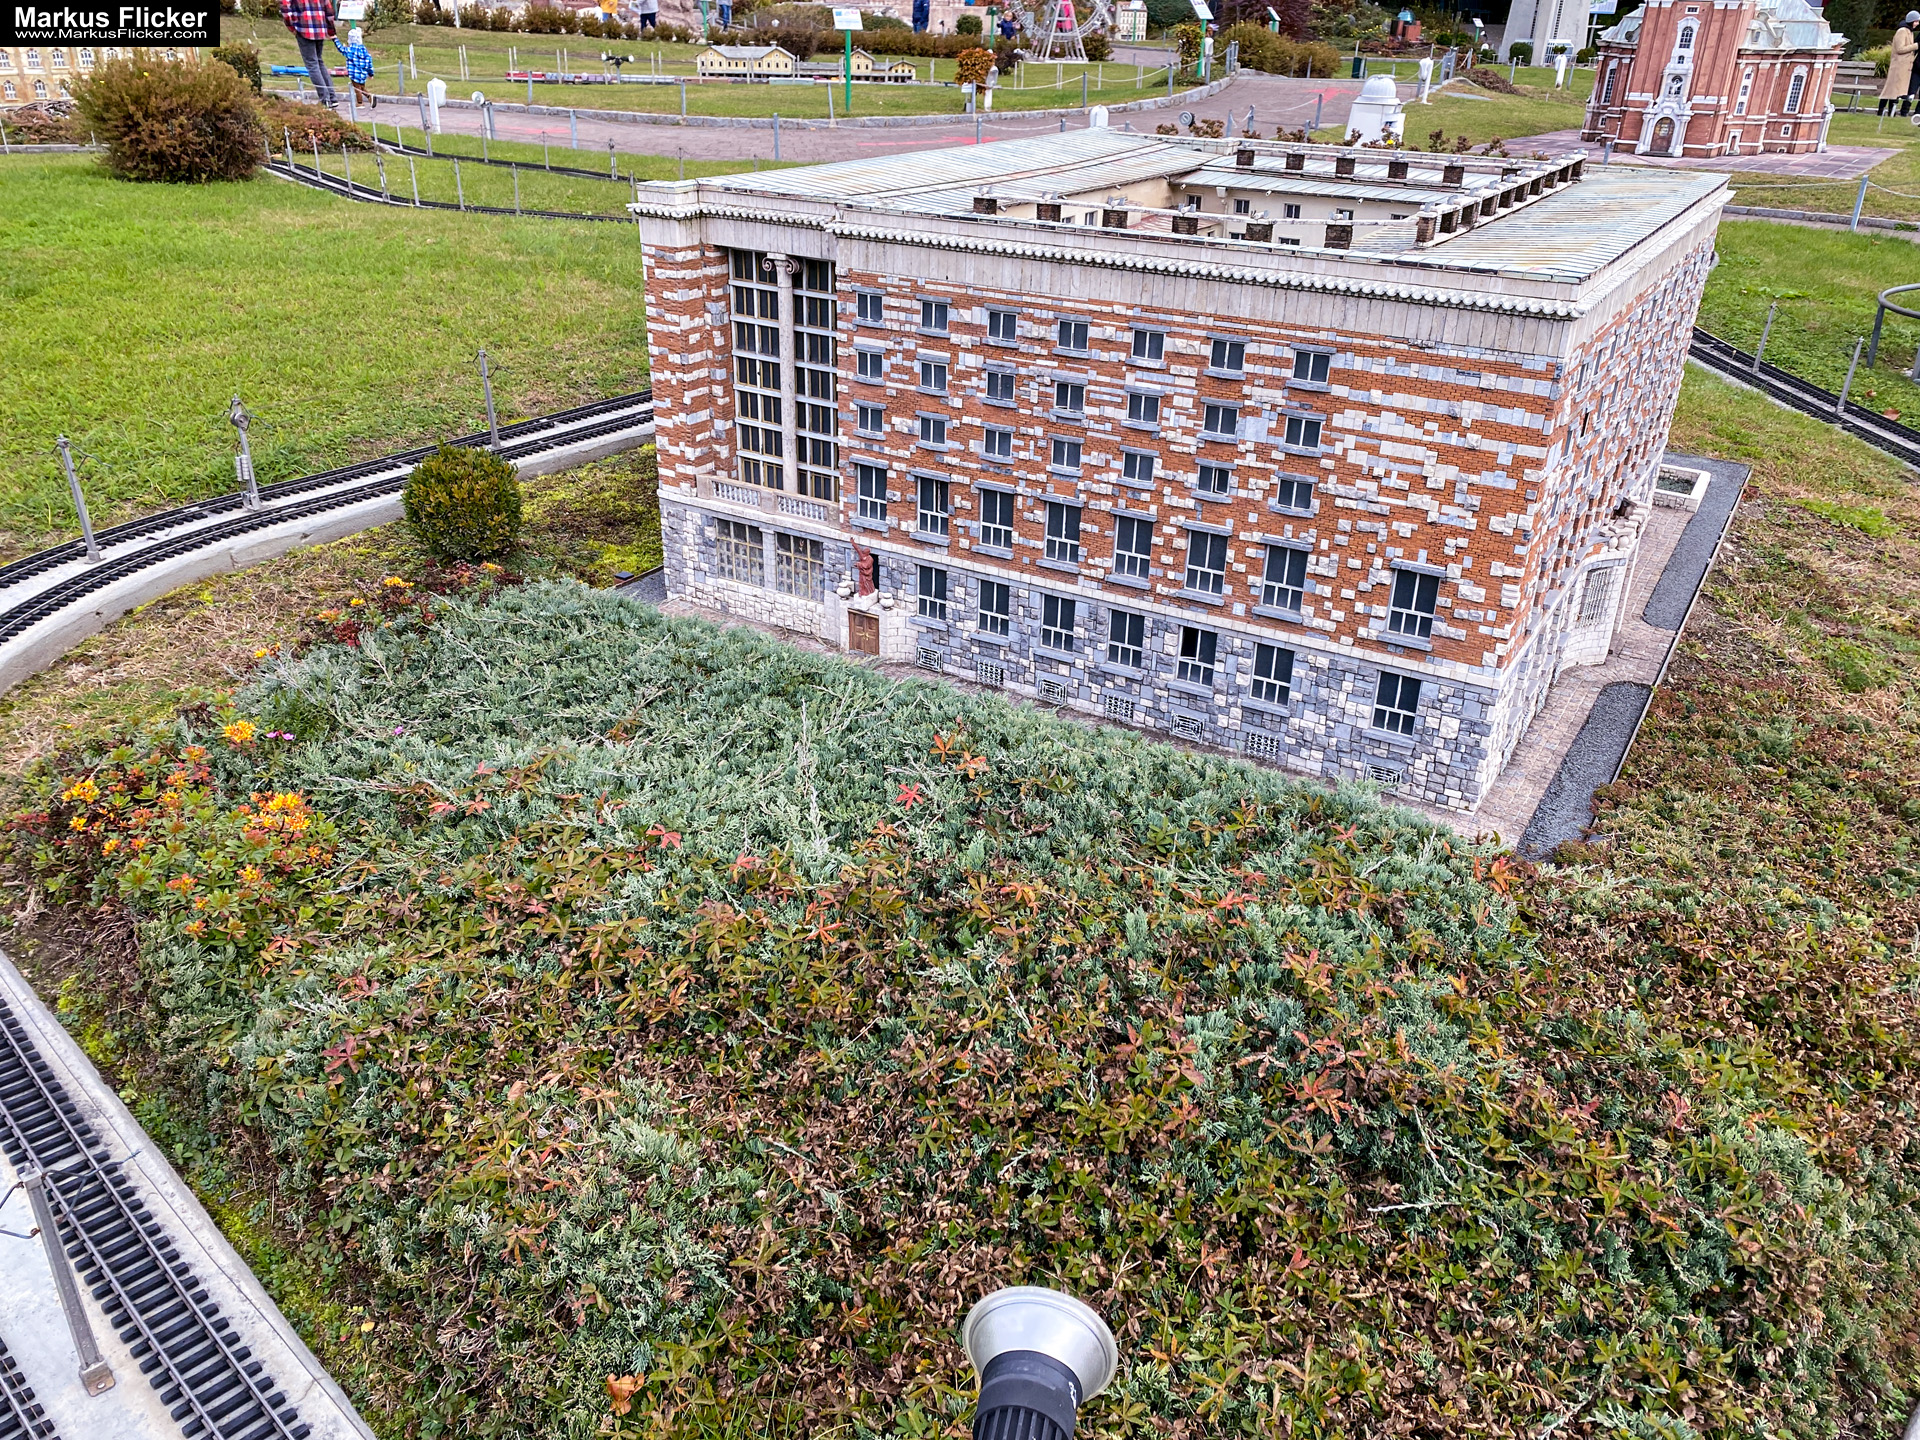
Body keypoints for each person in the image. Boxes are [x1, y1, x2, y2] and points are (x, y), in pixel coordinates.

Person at [281, 0, 339, 106]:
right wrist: (330, 29)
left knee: (312, 64)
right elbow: (329, 9)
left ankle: (325, 99)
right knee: (319, 61)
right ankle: (332, 97)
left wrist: (291, 26)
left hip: (304, 28)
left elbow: (285, 7)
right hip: (320, 27)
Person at [1881, 12, 1916, 118]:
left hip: (1905, 66)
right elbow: (1900, 49)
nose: (1917, 23)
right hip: (1898, 65)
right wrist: (1915, 46)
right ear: (1911, 21)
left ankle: (1891, 112)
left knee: (1896, 91)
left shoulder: (1910, 32)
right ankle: (1881, 111)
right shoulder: (1901, 31)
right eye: (1916, 21)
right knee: (1890, 90)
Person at [333, 26, 377, 109]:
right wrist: (370, 73)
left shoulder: (350, 50)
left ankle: (360, 103)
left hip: (354, 73)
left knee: (357, 88)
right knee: (362, 87)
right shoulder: (364, 50)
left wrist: (335, 40)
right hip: (363, 73)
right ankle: (370, 97)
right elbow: (369, 62)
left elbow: (341, 49)